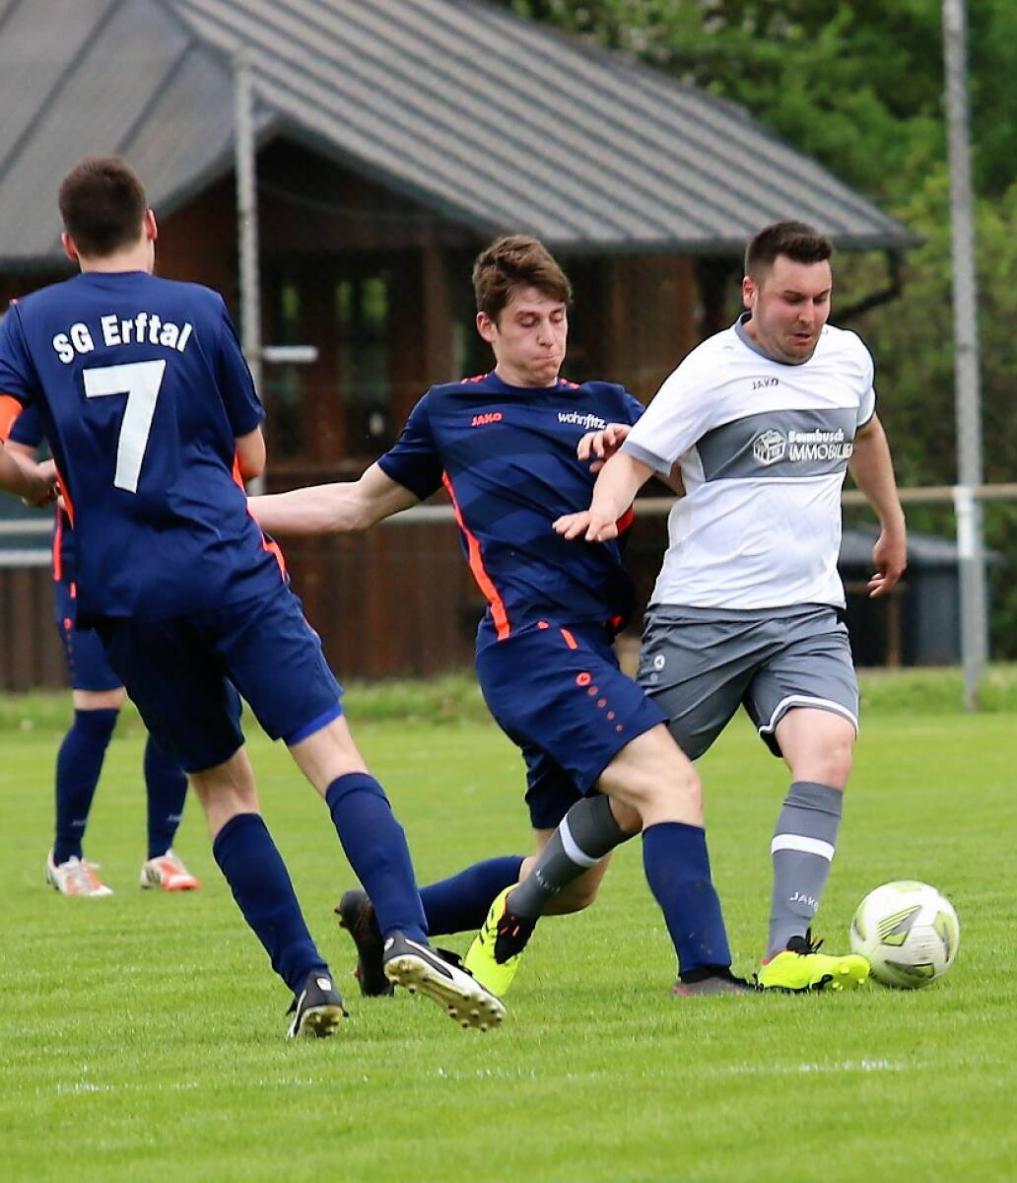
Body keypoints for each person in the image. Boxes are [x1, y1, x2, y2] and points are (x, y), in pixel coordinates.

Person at [0, 155, 504, 1037]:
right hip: (227, 566)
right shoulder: (199, 310)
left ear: (68, 239)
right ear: (151, 225)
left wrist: (41, 480)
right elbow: (256, 459)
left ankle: (308, 976)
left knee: (223, 789)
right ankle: (408, 933)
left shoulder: (30, 321)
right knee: (333, 756)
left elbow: (7, 456)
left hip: (122, 594)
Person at [250, 234, 752, 999]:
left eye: (555, 318)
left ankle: (390, 918)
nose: (547, 336)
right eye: (526, 321)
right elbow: (356, 504)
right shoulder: (452, 412)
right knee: (669, 785)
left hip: (585, 647)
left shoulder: (607, 405)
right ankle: (705, 973)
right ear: (485, 326)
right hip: (532, 647)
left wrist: (641, 451)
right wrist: (234, 511)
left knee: (570, 880)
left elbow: (700, 479)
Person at [554, 220, 906, 990]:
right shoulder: (708, 371)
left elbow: (867, 430)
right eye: (790, 299)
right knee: (631, 800)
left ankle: (787, 949)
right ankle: (515, 906)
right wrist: (601, 509)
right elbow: (638, 457)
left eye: (819, 298)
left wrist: (890, 522)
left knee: (827, 756)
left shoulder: (846, 358)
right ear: (751, 293)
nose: (807, 316)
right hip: (702, 619)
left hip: (805, 615)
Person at [2, 398, 199, 897]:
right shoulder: (48, 361)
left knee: (175, 700)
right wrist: (40, 475)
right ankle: (65, 857)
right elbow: (12, 455)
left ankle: (161, 854)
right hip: (86, 565)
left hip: (157, 555)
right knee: (98, 709)